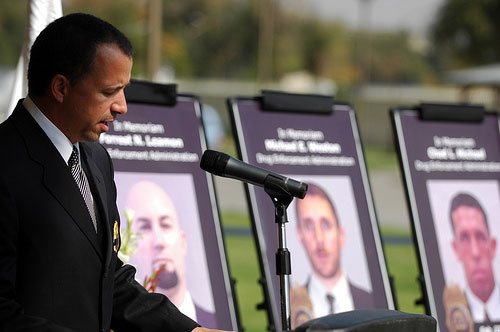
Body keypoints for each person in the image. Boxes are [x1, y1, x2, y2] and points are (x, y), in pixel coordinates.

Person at [0, 13, 229, 332]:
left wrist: (189, 331)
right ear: (61, 87)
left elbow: (108, 277)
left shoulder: (94, 157)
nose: (122, 106)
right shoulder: (6, 162)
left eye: (124, 90)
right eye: (109, 91)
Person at [125, 181, 217, 328]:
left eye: (165, 225)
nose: (159, 241)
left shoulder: (216, 324)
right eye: (145, 227)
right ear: (131, 245)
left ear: (183, 242)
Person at [291, 183, 373, 323]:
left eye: (326, 225)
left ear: (341, 235)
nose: (319, 239)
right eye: (309, 226)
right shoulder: (289, 306)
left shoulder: (372, 301)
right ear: (300, 235)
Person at [449, 192, 500, 323]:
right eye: (464, 238)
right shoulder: (450, 317)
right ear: (456, 249)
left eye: (480, 236)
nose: (475, 252)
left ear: (493, 246)